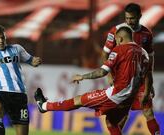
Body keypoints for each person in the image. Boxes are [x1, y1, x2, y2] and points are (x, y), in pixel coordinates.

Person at [35, 26, 149, 135]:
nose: (116, 43)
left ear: (120, 38)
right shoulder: (144, 53)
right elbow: (146, 76)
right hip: (129, 98)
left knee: (78, 100)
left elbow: (102, 72)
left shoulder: (119, 50)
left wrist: (83, 76)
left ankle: (44, 106)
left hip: (115, 95)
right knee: (111, 123)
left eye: (116, 40)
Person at [102, 3, 160, 134]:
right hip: (122, 80)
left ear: (139, 16)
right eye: (127, 18)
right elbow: (105, 53)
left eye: (132, 18)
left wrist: (149, 83)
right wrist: (109, 75)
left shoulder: (146, 34)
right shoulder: (116, 31)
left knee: (148, 112)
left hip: (140, 79)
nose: (129, 21)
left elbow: (150, 59)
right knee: (120, 118)